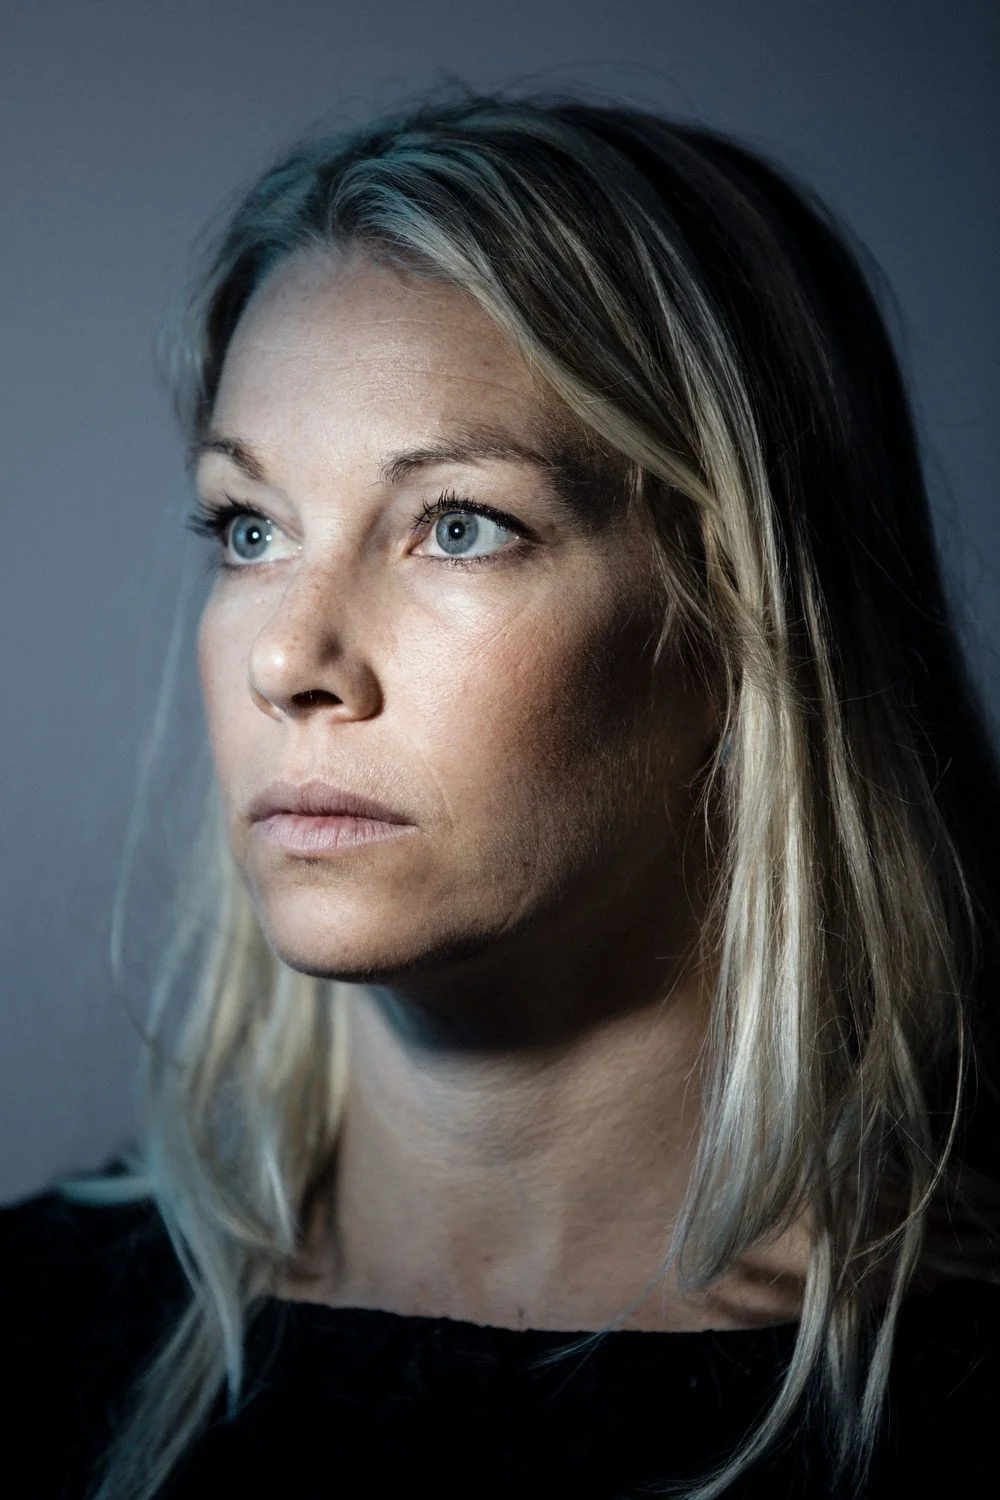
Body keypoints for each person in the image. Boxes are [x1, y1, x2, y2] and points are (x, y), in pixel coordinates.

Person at [3, 90, 999, 1500]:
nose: (291, 657)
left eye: (457, 527)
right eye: (249, 528)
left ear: (748, 608)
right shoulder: (33, 1335)